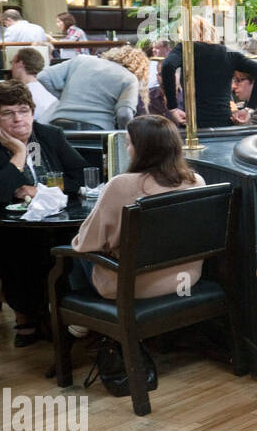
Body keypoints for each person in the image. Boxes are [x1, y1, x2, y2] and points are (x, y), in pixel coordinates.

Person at [0, 81, 88, 345]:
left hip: (55, 222)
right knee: (16, 251)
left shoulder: (49, 135)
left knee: (66, 245)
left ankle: (56, 316)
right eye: (8, 113)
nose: (18, 118)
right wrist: (18, 153)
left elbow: (80, 175)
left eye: (23, 110)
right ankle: (30, 315)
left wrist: (39, 190)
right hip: (3, 227)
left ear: (32, 111)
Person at [69, 115, 206, 299]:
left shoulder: (121, 185)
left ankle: (82, 320)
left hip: (131, 284)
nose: (127, 149)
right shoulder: (196, 181)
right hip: (186, 278)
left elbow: (86, 243)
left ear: (141, 150)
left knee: (72, 253)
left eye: (128, 143)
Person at [160, 20, 257, 129]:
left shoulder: (185, 49)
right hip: (224, 123)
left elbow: (167, 66)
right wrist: (249, 109)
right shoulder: (228, 54)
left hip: (194, 124)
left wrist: (172, 107)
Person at [35, 51, 139, 129]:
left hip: (59, 122)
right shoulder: (130, 78)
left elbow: (42, 76)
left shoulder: (81, 60)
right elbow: (124, 114)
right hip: (97, 128)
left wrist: (63, 97)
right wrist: (125, 135)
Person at [10, 48, 56, 119]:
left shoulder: (20, 94)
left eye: (12, 62)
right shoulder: (51, 90)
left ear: (20, 63)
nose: (11, 68)